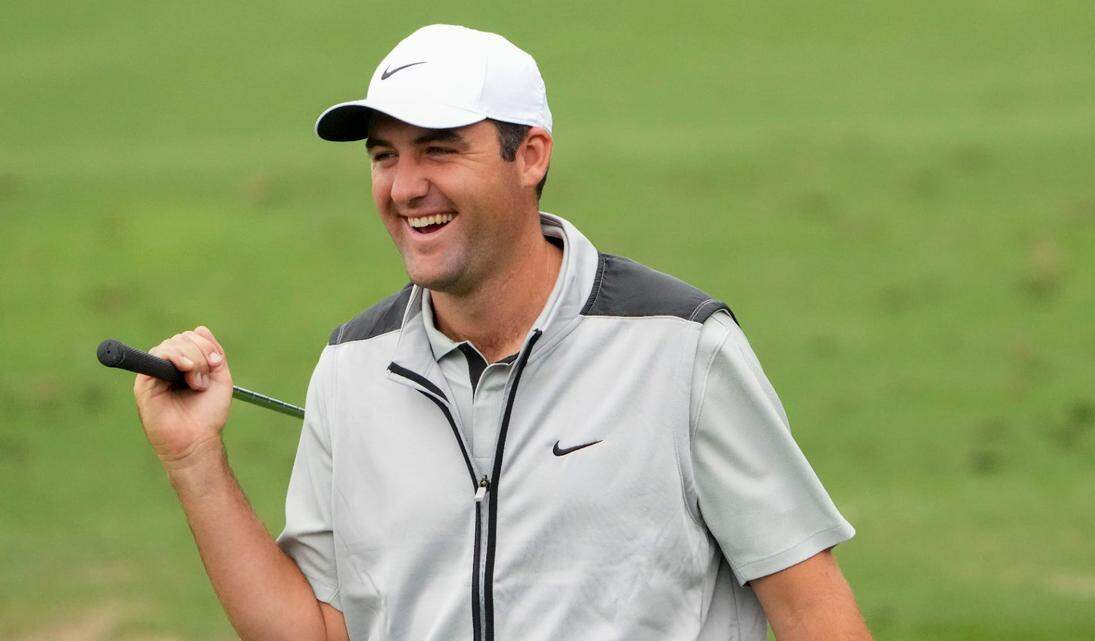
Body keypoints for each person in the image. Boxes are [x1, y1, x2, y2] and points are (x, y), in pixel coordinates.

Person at [133, 24, 873, 641]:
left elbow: (811, 608)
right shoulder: (350, 369)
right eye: (385, 155)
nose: (404, 186)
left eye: (439, 149)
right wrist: (195, 461)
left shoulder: (681, 348)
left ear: (531, 156)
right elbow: (322, 630)